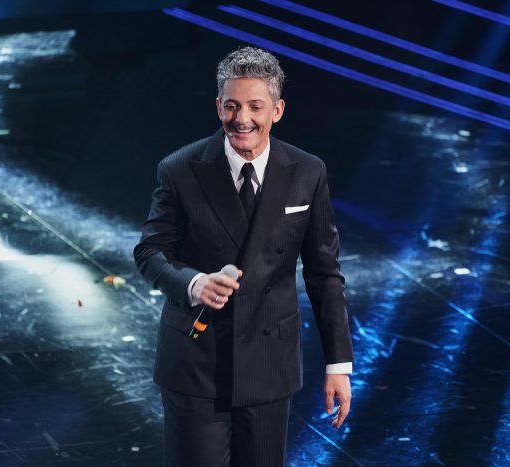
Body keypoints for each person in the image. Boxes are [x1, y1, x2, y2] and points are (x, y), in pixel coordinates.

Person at [134, 46, 354, 466]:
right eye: (232, 105)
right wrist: (194, 283)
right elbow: (150, 251)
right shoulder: (180, 169)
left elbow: (324, 273)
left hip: (269, 364)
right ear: (218, 106)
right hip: (197, 362)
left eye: (255, 106)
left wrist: (338, 363)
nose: (242, 119)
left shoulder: (307, 172)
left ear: (277, 110)